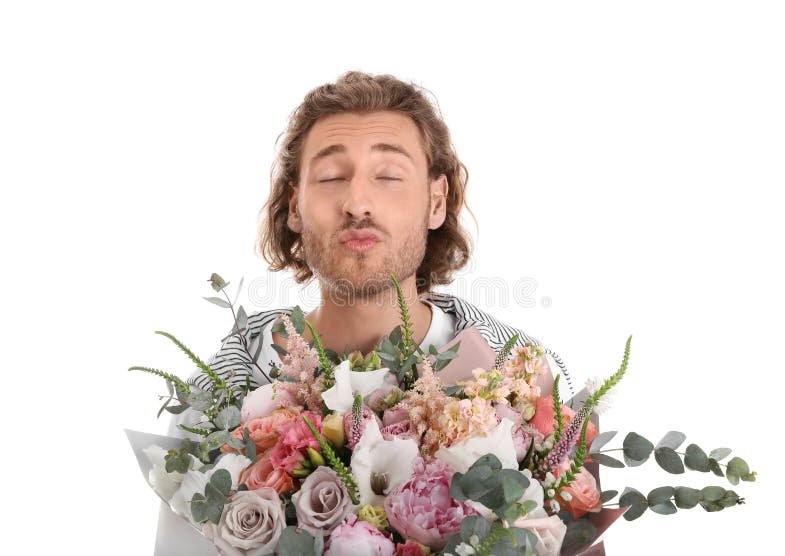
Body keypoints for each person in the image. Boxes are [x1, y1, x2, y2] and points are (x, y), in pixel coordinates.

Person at [154, 70, 575, 555]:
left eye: (389, 176)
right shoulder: (221, 389)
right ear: (295, 204)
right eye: (332, 177)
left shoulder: (521, 376)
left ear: (436, 201)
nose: (357, 203)